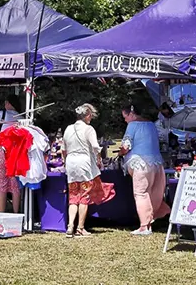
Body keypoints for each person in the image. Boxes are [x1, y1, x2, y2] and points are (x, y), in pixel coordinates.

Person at [62, 103, 115, 238]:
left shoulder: (68, 128)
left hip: (71, 163)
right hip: (84, 162)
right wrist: (99, 160)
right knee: (84, 195)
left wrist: (65, 161)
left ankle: (70, 226)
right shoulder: (89, 129)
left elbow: (63, 149)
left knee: (73, 196)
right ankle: (80, 228)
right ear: (87, 116)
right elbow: (96, 147)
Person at [118, 100, 170, 236]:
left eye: (125, 117)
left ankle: (144, 226)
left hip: (140, 163)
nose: (125, 120)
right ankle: (150, 221)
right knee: (153, 191)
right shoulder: (151, 125)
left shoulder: (132, 125)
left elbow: (126, 146)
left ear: (131, 114)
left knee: (141, 193)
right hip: (156, 163)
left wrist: (121, 153)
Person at [0, 93, 22, 213]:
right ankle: (16, 213)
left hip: (1, 150)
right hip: (16, 152)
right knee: (15, 186)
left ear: (8, 103)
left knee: (1, 184)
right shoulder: (22, 117)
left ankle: (2, 213)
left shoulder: (1, 114)